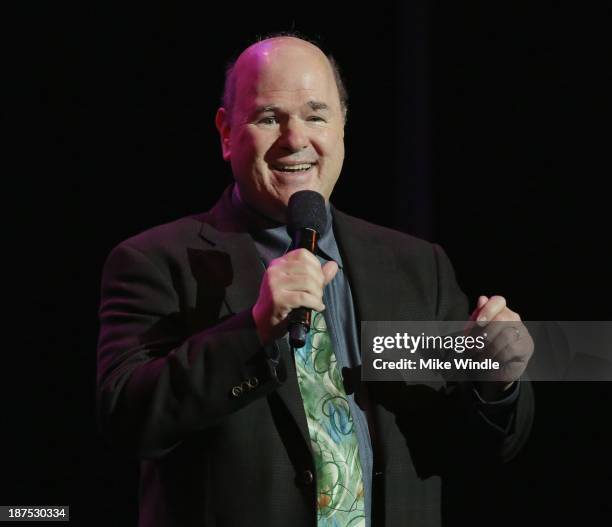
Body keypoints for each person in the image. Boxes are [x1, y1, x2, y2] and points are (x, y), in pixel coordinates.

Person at [96, 34, 535, 527]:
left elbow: (479, 446)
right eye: (269, 118)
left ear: (343, 126)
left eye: (316, 115)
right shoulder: (155, 260)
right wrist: (254, 330)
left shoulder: (415, 266)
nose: (296, 139)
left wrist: (496, 381)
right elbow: (125, 420)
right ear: (225, 133)